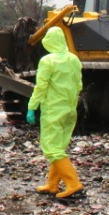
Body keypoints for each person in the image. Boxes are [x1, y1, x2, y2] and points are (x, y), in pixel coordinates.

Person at [27, 26, 84, 198]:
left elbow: (41, 86)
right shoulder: (74, 59)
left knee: (51, 148)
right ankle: (52, 185)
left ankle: (73, 183)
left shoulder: (48, 61)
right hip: (70, 109)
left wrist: (32, 107)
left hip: (53, 109)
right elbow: (79, 84)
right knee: (59, 147)